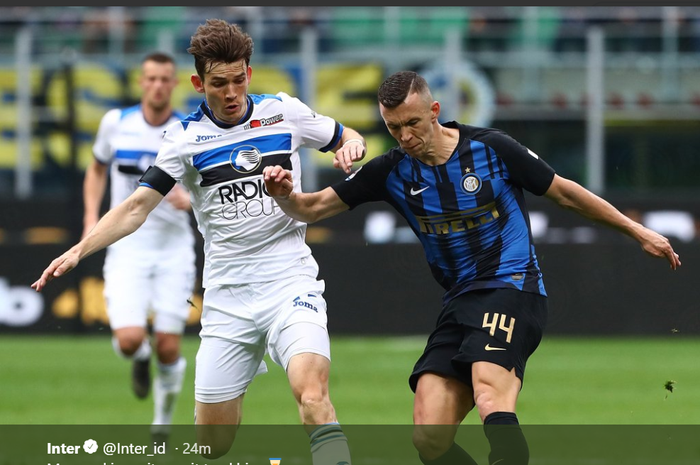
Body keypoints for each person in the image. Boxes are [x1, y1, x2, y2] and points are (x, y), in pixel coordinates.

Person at [262, 70, 682, 465]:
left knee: (489, 395)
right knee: (429, 437)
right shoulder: (390, 172)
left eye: (412, 123)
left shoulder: (491, 149)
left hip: (512, 288)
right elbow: (312, 208)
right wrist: (284, 193)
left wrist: (635, 230)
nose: (405, 137)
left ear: (435, 111)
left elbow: (566, 193)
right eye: (393, 128)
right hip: (459, 301)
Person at [32, 18, 366, 464]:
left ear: (248, 71)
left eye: (238, 79)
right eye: (218, 83)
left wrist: (351, 148)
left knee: (312, 395)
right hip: (227, 296)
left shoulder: (284, 111)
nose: (231, 93)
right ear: (197, 82)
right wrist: (79, 249)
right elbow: (135, 208)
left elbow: (349, 136)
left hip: (290, 282)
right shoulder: (184, 140)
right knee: (213, 445)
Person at [83, 51, 196, 443]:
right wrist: (89, 220)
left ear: (174, 84)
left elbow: (207, 184)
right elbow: (97, 168)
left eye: (166, 79)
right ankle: (140, 358)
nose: (158, 86)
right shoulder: (116, 124)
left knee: (169, 346)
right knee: (131, 341)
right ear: (141, 82)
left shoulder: (188, 129)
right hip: (127, 246)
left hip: (173, 249)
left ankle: (161, 423)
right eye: (151, 78)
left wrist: (191, 200)